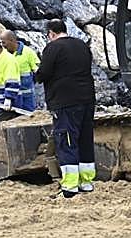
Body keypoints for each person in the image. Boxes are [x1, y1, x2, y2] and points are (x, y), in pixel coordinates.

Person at [34, 19, 97, 197]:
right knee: (84, 139)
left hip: (64, 101)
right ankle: (86, 183)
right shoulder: (82, 46)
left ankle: (69, 187)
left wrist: (36, 75)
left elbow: (44, 73)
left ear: (51, 34)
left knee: (67, 139)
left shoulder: (53, 48)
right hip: (87, 99)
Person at [1, 30, 40, 111]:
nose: (2, 45)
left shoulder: (28, 52)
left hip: (27, 98)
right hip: (12, 97)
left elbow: (38, 72)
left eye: (4, 42)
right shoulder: (3, 55)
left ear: (11, 40)